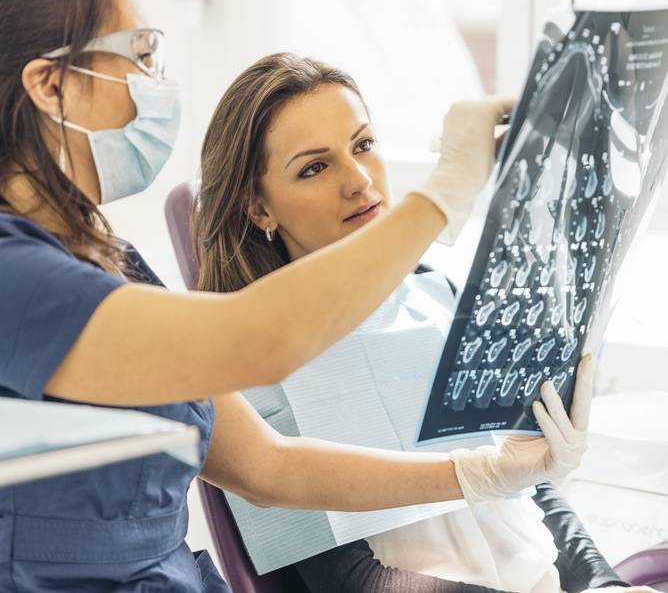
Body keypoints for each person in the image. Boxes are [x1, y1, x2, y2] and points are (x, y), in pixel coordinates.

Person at [0, 0, 591, 593]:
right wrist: (446, 190)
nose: (154, 80)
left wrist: (481, 472)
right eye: (139, 55)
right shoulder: (14, 276)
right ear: (49, 84)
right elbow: (261, 343)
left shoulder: (106, 262)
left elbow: (269, 468)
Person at [193, 53, 632, 593]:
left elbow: (527, 483)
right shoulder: (257, 364)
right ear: (259, 209)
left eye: (363, 145)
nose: (358, 180)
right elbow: (352, 581)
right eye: (314, 167)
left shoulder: (434, 294)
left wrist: (603, 584)